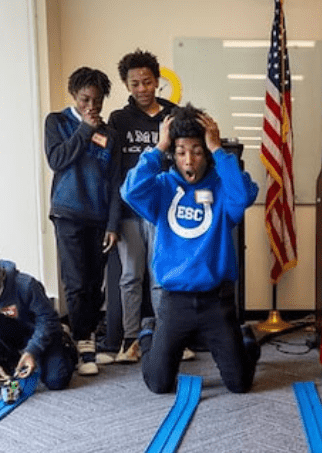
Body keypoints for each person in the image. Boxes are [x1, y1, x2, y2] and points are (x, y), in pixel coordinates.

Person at [120, 104, 261, 394]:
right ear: (173, 154)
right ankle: (148, 334)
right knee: (158, 384)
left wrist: (218, 148)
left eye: (197, 151)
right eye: (182, 152)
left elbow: (245, 195)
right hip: (175, 302)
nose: (189, 161)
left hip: (216, 301)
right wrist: (159, 147)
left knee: (239, 384)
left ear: (206, 154)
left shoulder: (223, 187)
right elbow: (130, 191)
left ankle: (245, 340)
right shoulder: (161, 187)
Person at [107, 49, 190, 363]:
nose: (142, 89)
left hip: (164, 211)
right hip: (129, 212)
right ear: (127, 86)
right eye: (135, 83)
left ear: (157, 81)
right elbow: (116, 173)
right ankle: (131, 340)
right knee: (130, 276)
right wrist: (112, 221)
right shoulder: (119, 120)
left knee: (161, 276)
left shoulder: (175, 115)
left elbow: (186, 161)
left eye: (147, 81)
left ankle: (169, 336)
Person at [44, 66, 119, 376]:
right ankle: (81, 341)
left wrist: (113, 224)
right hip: (69, 214)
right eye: (86, 99)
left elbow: (116, 181)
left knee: (93, 282)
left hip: (99, 216)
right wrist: (84, 130)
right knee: (75, 282)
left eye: (98, 101)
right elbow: (57, 159)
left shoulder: (110, 134)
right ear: (74, 95)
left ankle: (86, 341)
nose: (92, 107)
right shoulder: (57, 122)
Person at [0, 248, 76, 391]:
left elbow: (47, 320)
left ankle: (64, 342)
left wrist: (32, 350)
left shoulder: (26, 285)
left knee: (57, 380)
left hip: (38, 334)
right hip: (9, 339)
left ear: (1, 274)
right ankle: (7, 360)